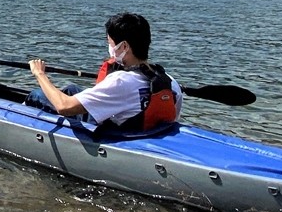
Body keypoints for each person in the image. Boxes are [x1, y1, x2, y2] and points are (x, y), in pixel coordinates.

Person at [24, 12, 182, 133]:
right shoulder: (170, 82)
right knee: (72, 88)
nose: (110, 48)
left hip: (114, 132)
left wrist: (39, 74)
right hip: (140, 127)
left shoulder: (120, 81)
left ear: (124, 47)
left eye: (110, 43)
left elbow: (63, 106)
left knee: (38, 94)